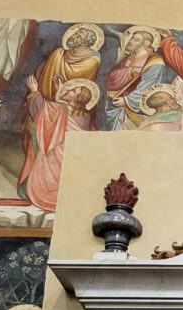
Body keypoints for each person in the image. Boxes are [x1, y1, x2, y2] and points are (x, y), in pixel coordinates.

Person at [18, 78, 98, 212]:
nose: (68, 89)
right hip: (69, 162)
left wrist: (35, 91)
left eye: (73, 91)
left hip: (53, 162)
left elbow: (43, 110)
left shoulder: (60, 110)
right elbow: (60, 111)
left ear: (75, 100)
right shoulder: (85, 115)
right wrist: (62, 91)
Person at [105, 27, 169, 131]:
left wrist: (126, 100)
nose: (131, 41)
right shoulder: (126, 59)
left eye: (137, 40)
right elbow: (112, 80)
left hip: (134, 108)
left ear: (146, 44)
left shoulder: (155, 62)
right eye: (131, 38)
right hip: (115, 105)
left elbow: (148, 86)